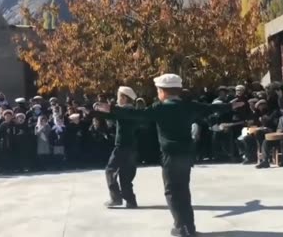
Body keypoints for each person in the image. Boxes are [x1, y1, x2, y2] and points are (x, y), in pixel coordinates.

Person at [96, 74, 241, 237]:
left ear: (163, 92)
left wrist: (111, 109)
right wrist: (229, 106)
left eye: (158, 90)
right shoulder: (189, 106)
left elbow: (138, 114)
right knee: (183, 192)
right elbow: (210, 108)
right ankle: (189, 227)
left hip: (171, 156)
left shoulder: (160, 108)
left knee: (172, 192)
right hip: (187, 155)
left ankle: (181, 228)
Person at [92, 86, 140, 208]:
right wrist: (96, 112)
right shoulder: (130, 111)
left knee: (110, 169)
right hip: (131, 147)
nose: (117, 99)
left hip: (122, 146)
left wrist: (98, 108)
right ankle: (130, 200)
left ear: (124, 98)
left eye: (119, 97)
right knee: (125, 174)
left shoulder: (126, 111)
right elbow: (111, 115)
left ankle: (116, 198)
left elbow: (113, 111)